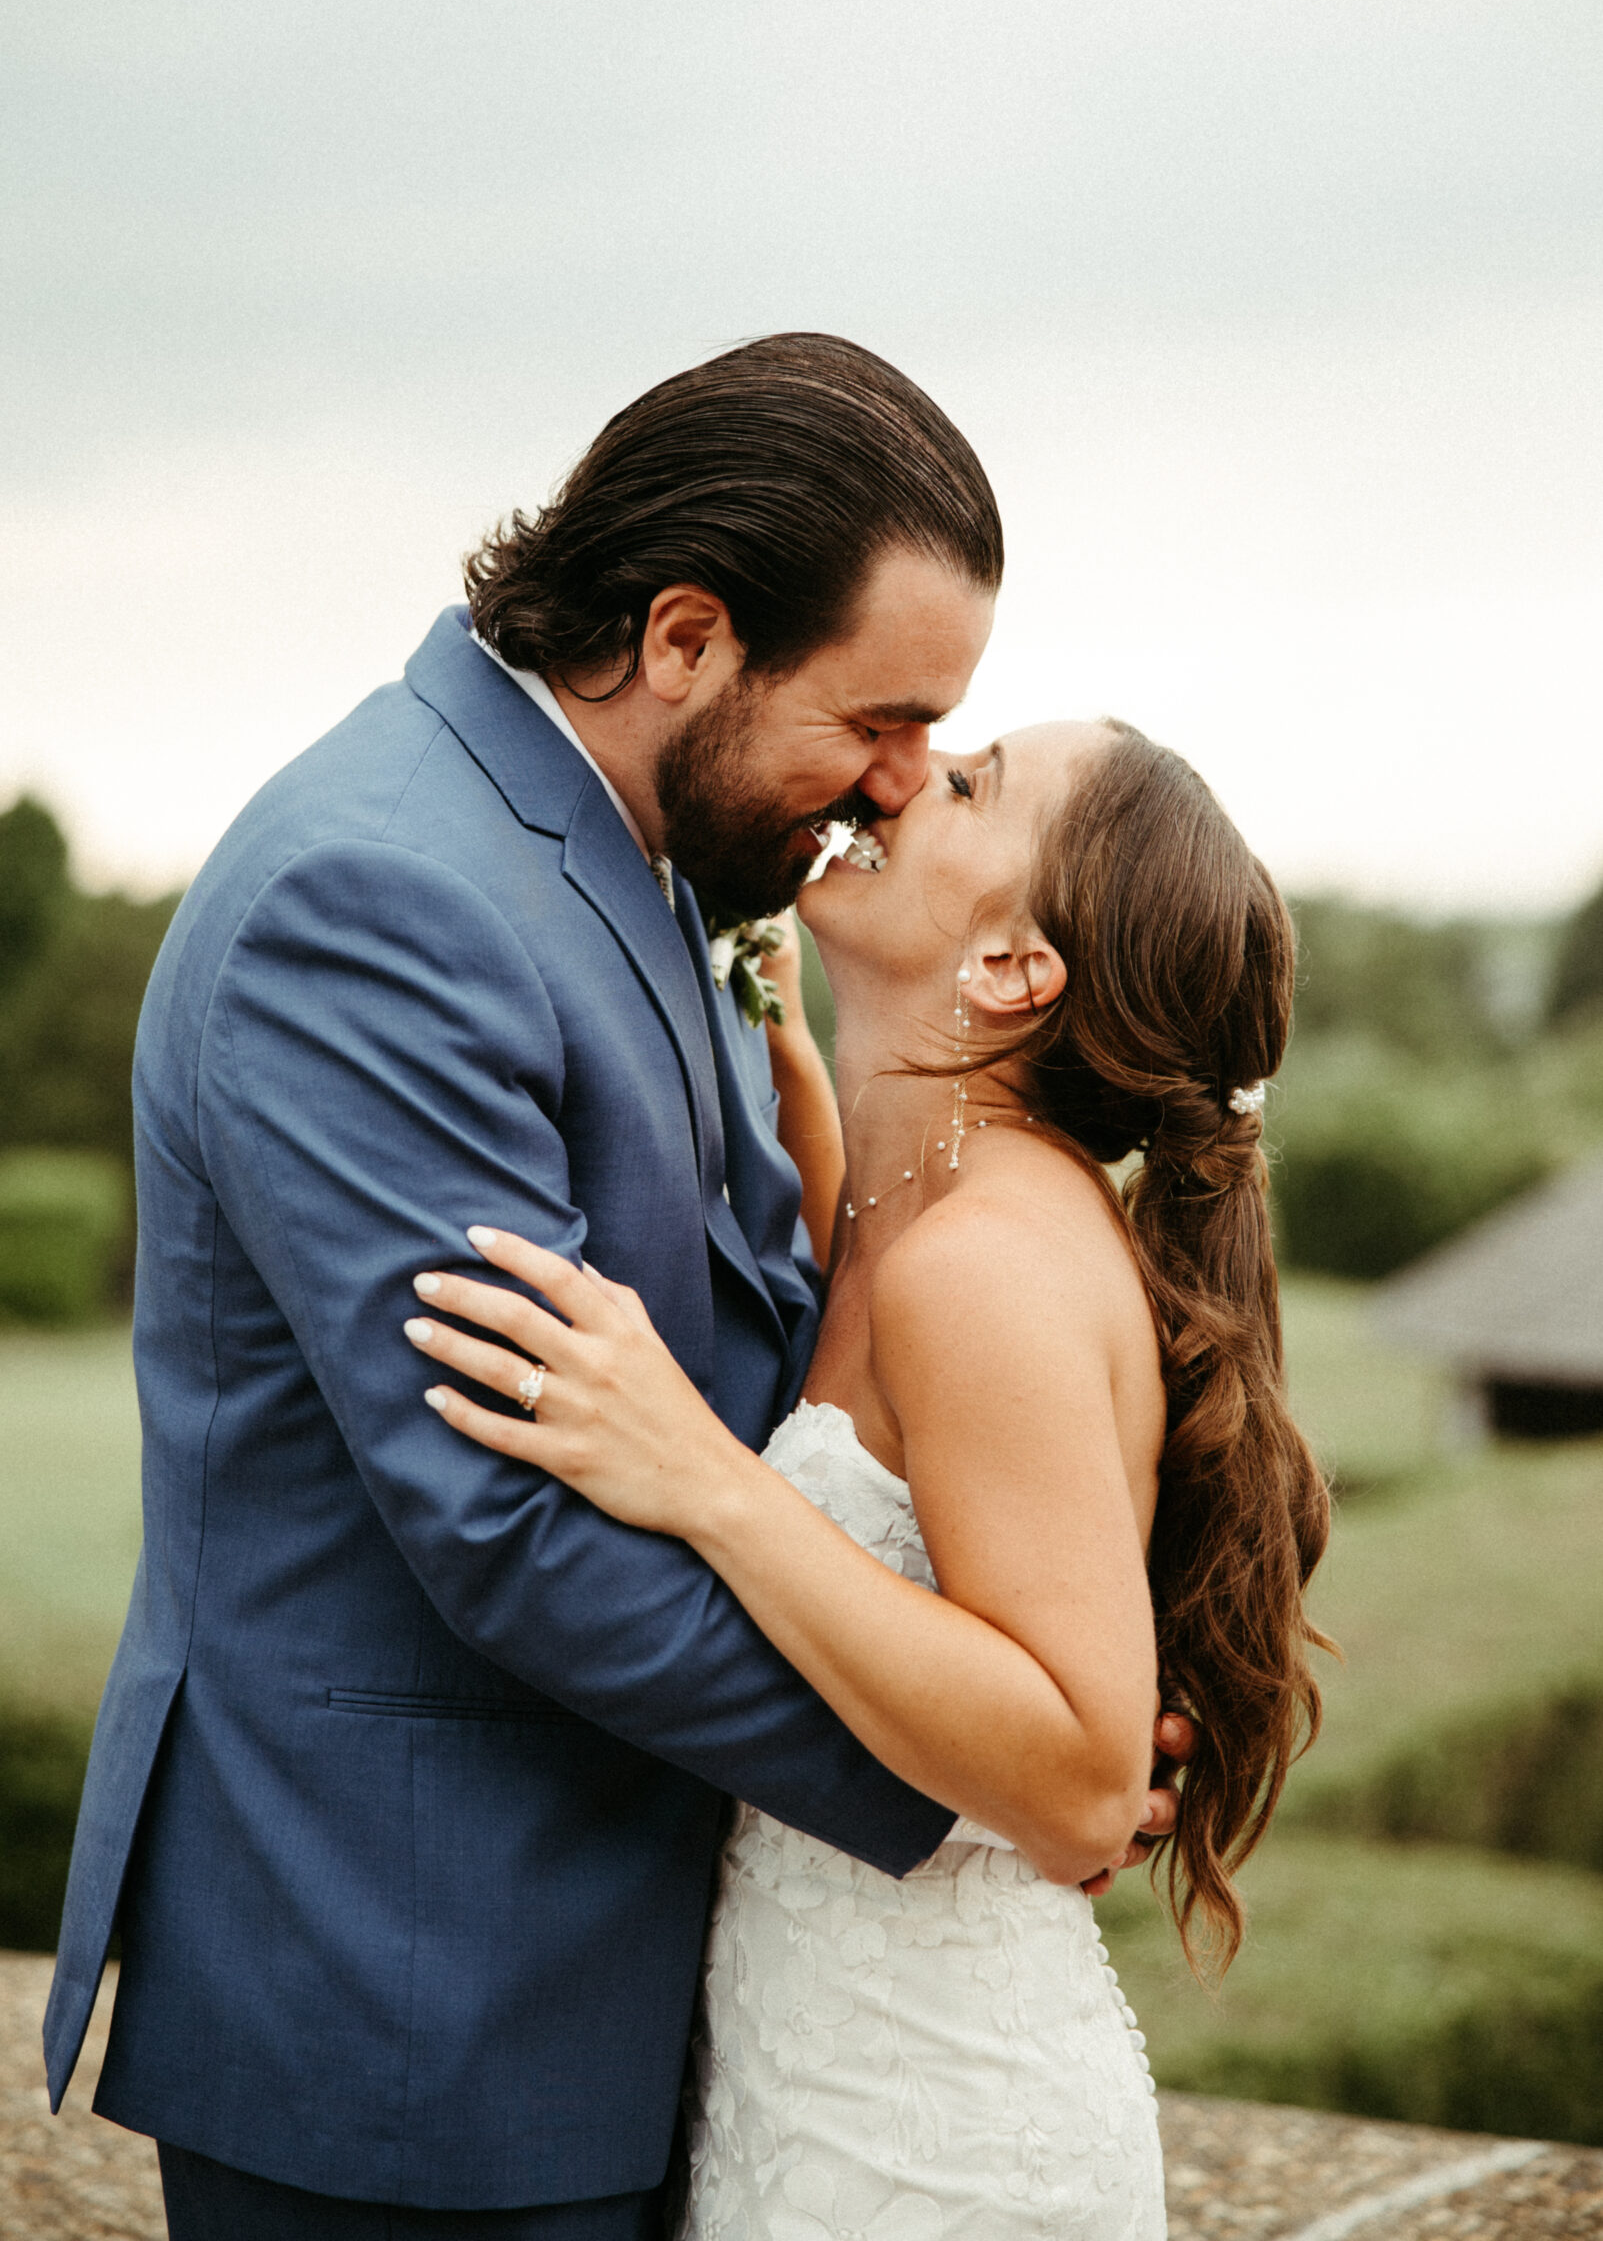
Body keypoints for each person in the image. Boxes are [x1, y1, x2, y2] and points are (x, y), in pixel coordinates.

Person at [43, 333, 1186, 2239]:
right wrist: (976, 1788)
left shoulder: (642, 853)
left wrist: (1038, 1680)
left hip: (614, 1985)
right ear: (683, 640)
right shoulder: (382, 897)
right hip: (414, 2000)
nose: (896, 785)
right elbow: (510, 1523)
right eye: (884, 718)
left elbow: (760, 1366)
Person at [411, 716, 1334, 2241]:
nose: (906, 777)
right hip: (811, 2076)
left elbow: (1088, 1780)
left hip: (931, 2138)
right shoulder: (897, 1202)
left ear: (1010, 972)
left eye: (968, 783)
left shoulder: (982, 1265)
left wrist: (704, 1476)